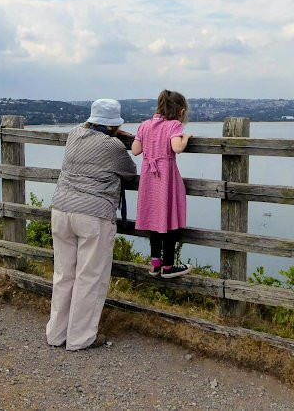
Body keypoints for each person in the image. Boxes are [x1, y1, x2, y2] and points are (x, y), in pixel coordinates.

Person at [46, 98, 137, 350]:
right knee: (90, 277)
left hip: (62, 209)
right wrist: (121, 138)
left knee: (64, 274)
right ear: (114, 125)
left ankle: (56, 334)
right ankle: (80, 338)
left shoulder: (74, 134)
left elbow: (89, 130)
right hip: (93, 215)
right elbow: (130, 171)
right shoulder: (114, 146)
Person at [133, 89, 193, 278]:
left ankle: (155, 265)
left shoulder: (145, 125)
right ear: (181, 111)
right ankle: (168, 267)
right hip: (166, 179)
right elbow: (177, 147)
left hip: (149, 179)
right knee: (169, 220)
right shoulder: (174, 126)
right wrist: (186, 137)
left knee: (154, 221)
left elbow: (135, 150)